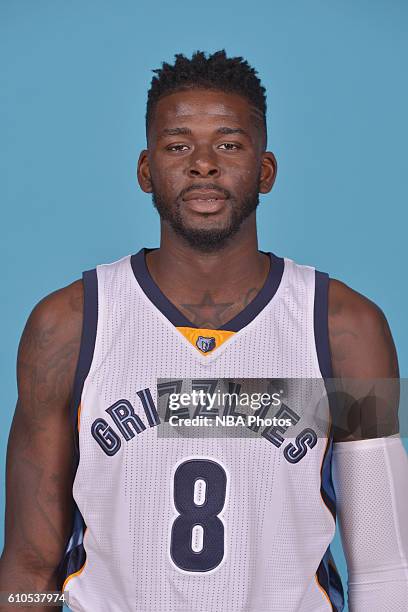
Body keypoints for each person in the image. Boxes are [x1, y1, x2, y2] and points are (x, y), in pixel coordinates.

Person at [0, 49, 407, 612]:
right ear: (146, 170)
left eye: (229, 144)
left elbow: (385, 567)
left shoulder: (345, 328)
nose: (204, 164)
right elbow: (28, 566)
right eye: (178, 145)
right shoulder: (68, 326)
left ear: (265, 170)